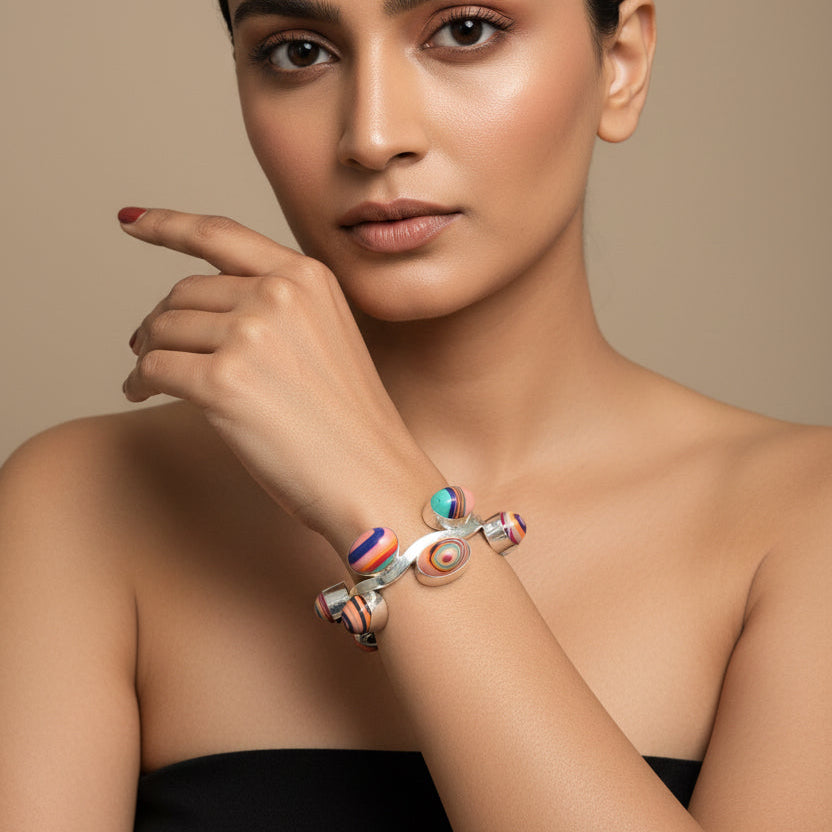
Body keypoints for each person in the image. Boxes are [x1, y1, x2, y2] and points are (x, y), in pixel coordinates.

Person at [1, 0, 830, 829]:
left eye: (465, 30)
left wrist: (385, 500)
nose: (371, 134)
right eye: (297, 51)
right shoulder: (85, 503)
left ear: (621, 62)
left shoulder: (804, 518)